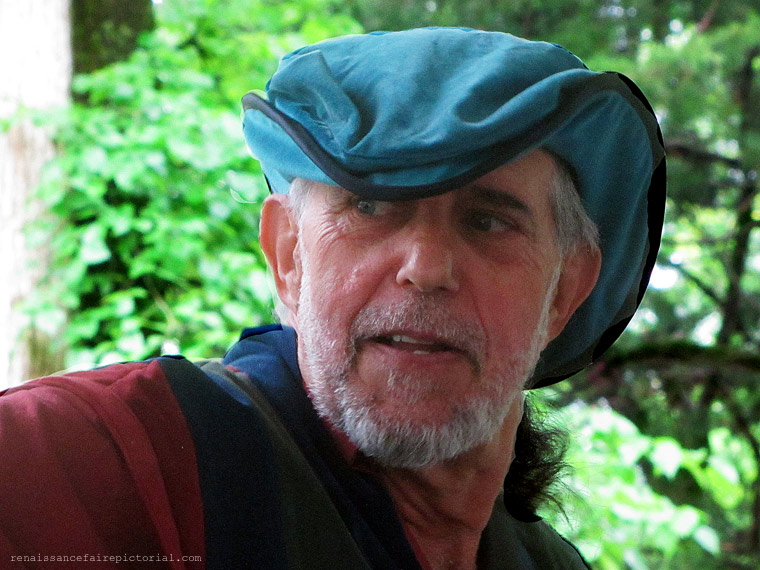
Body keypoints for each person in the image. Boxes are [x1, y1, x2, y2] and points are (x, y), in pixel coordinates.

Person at [0, 27, 665, 570]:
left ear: (565, 291)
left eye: (488, 220)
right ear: (289, 255)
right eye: (370, 206)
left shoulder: (549, 564)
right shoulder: (103, 460)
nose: (425, 267)